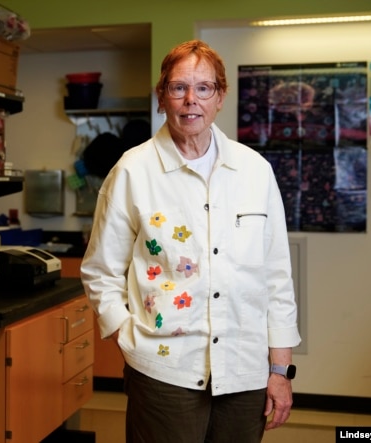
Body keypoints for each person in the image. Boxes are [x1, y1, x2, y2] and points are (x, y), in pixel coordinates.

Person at [80, 39, 301, 443]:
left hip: (245, 369)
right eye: (178, 87)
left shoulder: (254, 171)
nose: (190, 100)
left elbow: (276, 277)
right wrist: (127, 339)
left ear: (220, 97)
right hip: (163, 370)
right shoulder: (132, 171)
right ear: (161, 97)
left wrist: (279, 370)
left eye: (204, 88)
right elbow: (100, 272)